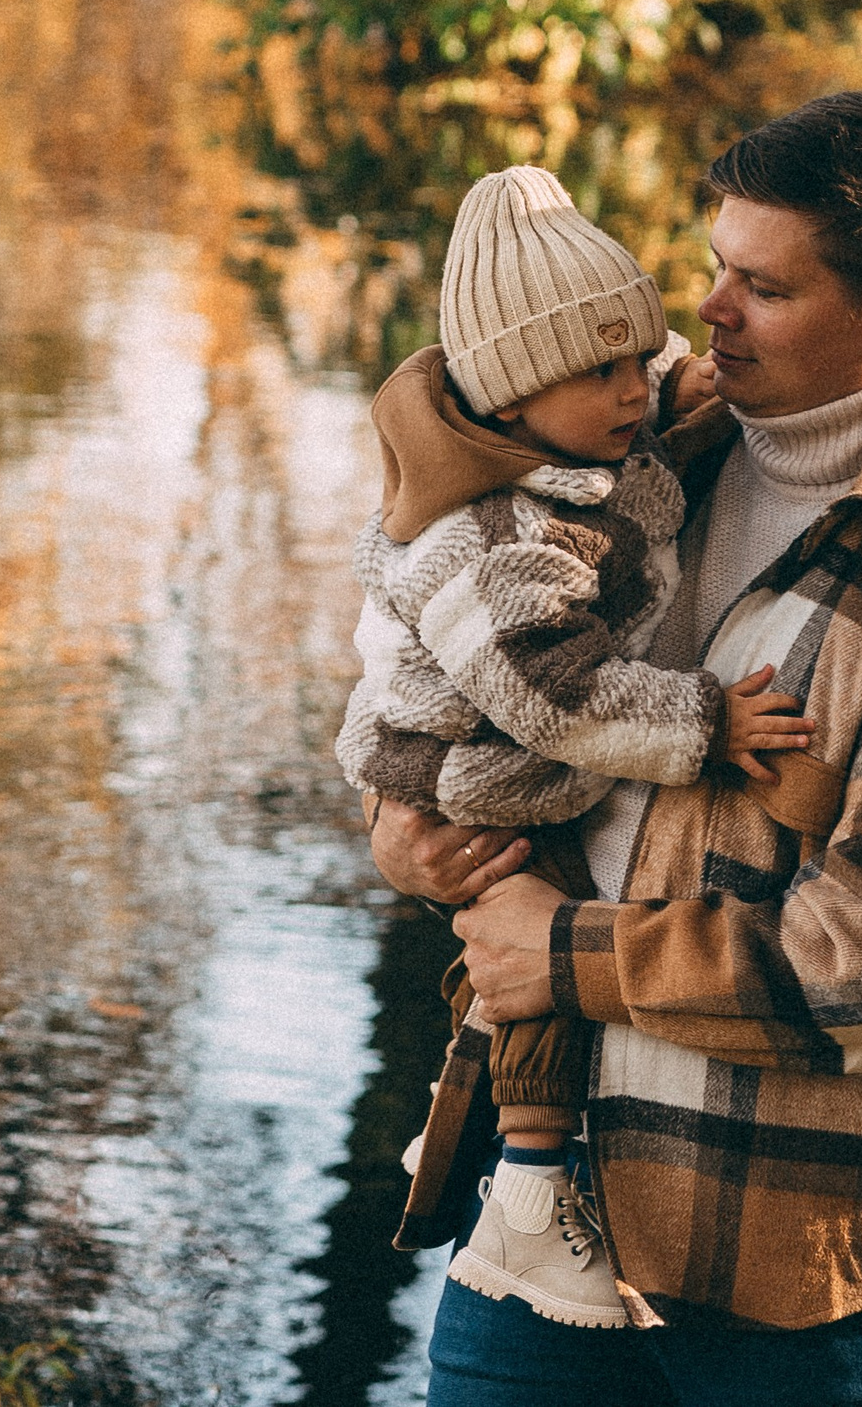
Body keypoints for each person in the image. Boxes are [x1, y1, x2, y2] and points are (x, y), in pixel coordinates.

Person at [371, 92, 862, 1406]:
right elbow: (447, 612)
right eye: (712, 267)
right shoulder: (646, 449)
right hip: (544, 1216)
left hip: (796, 1279)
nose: (710, 309)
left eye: (762, 285)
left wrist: (560, 954)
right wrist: (407, 822)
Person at [337, 165, 815, 1330]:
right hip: (475, 761)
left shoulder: (561, 447)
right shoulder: (497, 532)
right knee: (534, 944)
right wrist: (706, 721)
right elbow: (556, 698)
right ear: (509, 396)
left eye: (637, 357)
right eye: (600, 371)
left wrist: (675, 387)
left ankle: (498, 1141)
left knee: (527, 951)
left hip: (491, 745)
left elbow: (634, 458)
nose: (632, 389)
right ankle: (534, 1191)